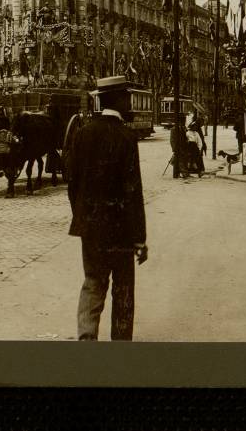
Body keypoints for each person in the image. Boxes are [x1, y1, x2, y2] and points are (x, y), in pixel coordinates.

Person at [67, 76, 148, 341]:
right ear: (120, 99)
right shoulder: (126, 136)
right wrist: (139, 238)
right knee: (123, 286)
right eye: (127, 97)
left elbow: (73, 183)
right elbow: (133, 189)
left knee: (92, 281)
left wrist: (82, 215)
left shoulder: (83, 132)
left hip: (91, 226)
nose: (130, 102)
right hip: (121, 228)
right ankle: (120, 343)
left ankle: (86, 337)